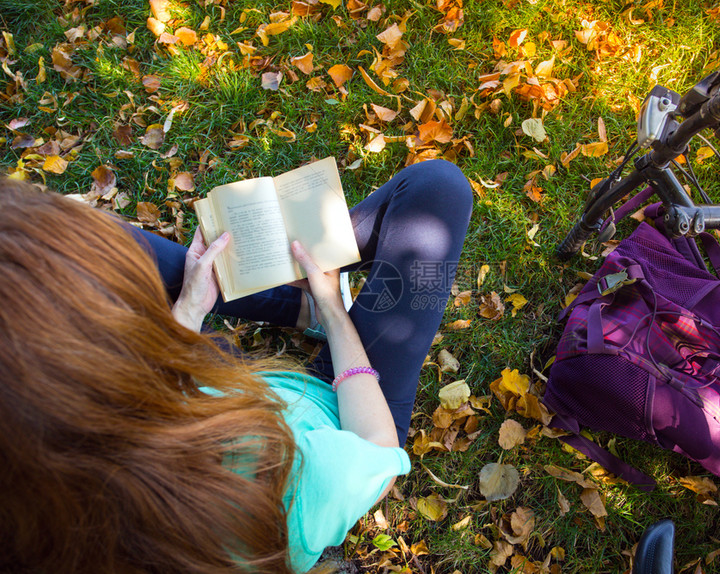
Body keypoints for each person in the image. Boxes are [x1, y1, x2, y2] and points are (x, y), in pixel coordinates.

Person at [0, 159, 472, 574]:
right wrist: (330, 308)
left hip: (211, 386)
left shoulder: (50, 478)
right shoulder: (293, 488)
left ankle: (295, 307)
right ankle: (311, 306)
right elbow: (377, 453)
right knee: (438, 189)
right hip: (346, 407)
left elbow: (156, 386)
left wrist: (187, 311)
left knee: (135, 252)